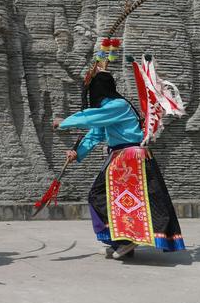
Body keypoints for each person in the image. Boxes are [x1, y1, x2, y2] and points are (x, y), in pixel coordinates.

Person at [54, 61, 185, 260]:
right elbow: (96, 133)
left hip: (130, 158)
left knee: (104, 197)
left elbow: (91, 118)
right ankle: (120, 241)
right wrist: (78, 152)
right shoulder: (111, 109)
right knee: (108, 198)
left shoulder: (118, 105)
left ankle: (126, 240)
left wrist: (64, 122)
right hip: (121, 158)